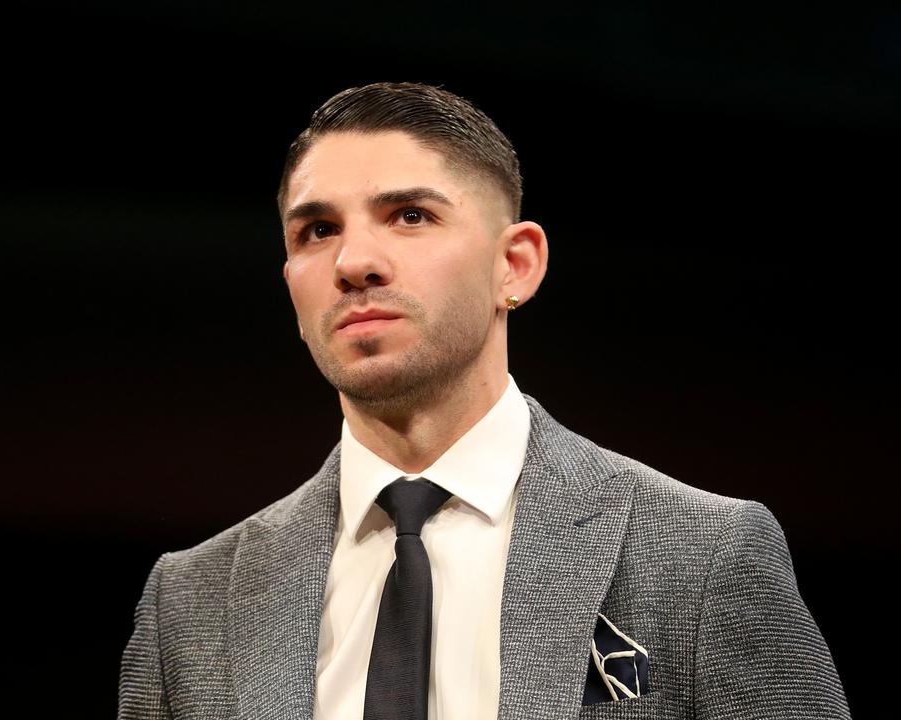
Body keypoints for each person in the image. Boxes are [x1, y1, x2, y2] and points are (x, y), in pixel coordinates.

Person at [118, 82, 849, 720]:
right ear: (291, 286)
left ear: (516, 265)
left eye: (409, 215)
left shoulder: (703, 557)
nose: (353, 263)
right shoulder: (189, 604)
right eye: (318, 230)